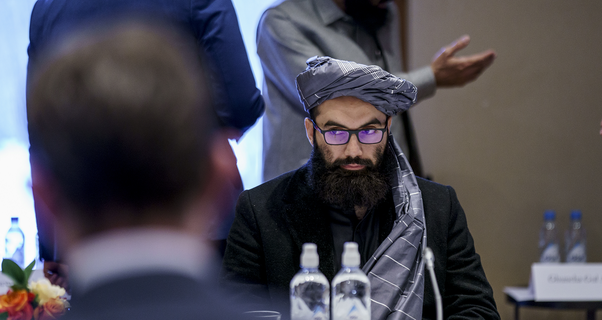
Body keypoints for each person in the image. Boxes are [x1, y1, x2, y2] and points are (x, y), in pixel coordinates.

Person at [223, 56, 500, 320]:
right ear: (311, 133)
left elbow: (478, 310)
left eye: (369, 131)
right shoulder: (259, 211)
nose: (353, 150)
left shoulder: (438, 207)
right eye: (336, 133)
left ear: (388, 128)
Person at [27, 0, 261, 282]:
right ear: (217, 171)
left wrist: (51, 247)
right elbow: (240, 105)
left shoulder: (47, 8)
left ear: (45, 192)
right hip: (200, 224)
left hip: (89, 229)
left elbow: (41, 138)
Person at [258, 0, 496, 181]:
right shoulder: (281, 22)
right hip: (305, 192)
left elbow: (387, 95)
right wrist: (431, 77)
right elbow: (344, 95)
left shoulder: (382, 11)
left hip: (377, 183)